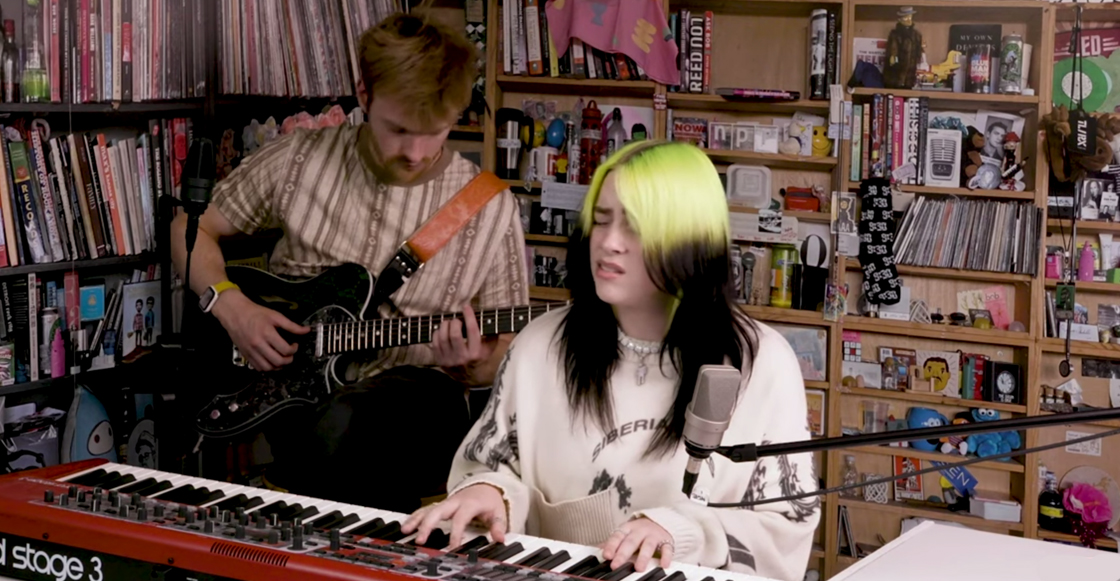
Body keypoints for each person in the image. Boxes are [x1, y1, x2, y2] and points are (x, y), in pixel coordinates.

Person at [404, 141, 820, 581]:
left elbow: (783, 527)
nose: (610, 244)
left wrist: (684, 530)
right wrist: (492, 493)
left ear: (691, 240)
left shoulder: (761, 363)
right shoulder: (540, 345)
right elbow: (495, 465)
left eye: (636, 227)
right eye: (601, 222)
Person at [170, 11, 529, 512]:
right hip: (296, 403)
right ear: (364, 95)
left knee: (360, 424)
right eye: (399, 129)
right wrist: (231, 307)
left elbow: (507, 354)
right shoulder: (298, 160)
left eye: (437, 131)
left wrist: (472, 363)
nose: (416, 152)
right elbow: (191, 226)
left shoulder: (488, 207)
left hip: (415, 417)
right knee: (328, 434)